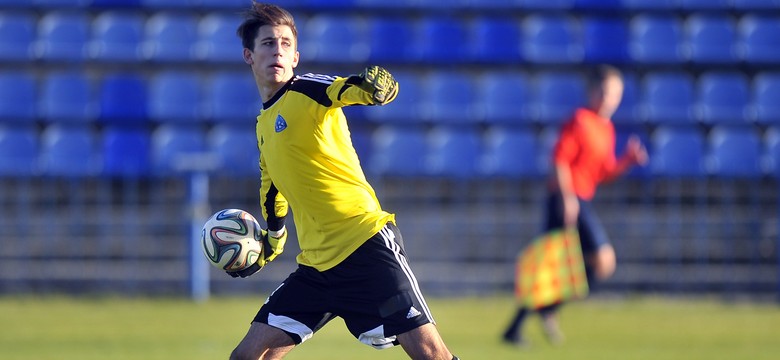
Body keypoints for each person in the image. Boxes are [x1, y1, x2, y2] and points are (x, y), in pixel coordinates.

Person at [226, 3, 458, 360]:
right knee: (247, 356)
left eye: (286, 44)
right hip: (316, 268)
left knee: (432, 356)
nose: (278, 51)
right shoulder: (262, 126)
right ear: (249, 55)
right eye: (269, 43)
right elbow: (272, 192)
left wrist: (374, 90)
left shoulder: (306, 90)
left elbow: (344, 89)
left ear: (296, 57)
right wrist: (269, 247)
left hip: (365, 246)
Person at [502, 64, 648, 347]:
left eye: (615, 94)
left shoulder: (605, 128)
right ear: (593, 92)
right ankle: (542, 312)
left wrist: (628, 161)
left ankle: (525, 322)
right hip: (566, 199)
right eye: (605, 92)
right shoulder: (580, 120)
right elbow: (559, 160)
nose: (610, 99)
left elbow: (602, 173)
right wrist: (568, 198)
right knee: (598, 261)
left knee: (558, 267)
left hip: (580, 198)